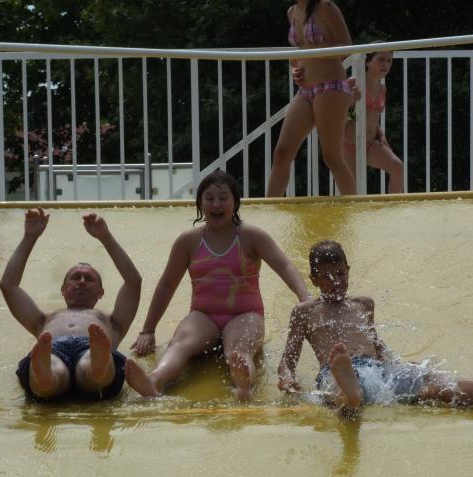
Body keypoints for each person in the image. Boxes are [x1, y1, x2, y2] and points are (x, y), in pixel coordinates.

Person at [278, 240, 473, 417]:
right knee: (337, 386)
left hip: (378, 371)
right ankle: (350, 392)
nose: (336, 282)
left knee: (431, 382)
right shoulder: (305, 311)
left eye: (340, 274)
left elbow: (376, 344)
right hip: (334, 372)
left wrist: (399, 364)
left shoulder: (363, 304)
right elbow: (287, 361)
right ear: (313, 279)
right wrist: (288, 379)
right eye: (326, 277)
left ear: (348, 270)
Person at [126, 170, 311, 399]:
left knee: (239, 351)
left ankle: (244, 386)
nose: (216, 204)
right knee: (180, 343)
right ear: (200, 203)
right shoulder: (188, 241)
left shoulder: (251, 236)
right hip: (204, 316)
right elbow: (166, 285)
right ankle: (154, 381)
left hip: (245, 314)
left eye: (223, 198)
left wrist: (305, 297)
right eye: (209, 198)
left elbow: (284, 266)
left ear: (235, 203)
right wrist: (148, 330)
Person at [0, 209, 142, 400]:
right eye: (75, 277)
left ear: (101, 292)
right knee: (54, 365)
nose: (82, 281)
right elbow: (8, 286)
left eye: (89, 279)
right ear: (63, 289)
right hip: (52, 349)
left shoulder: (113, 323)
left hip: (92, 348)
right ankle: (47, 377)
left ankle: (96, 368)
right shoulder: (42, 321)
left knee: (88, 363)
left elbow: (133, 282)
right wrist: (29, 237)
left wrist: (105, 237)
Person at [266, 0, 356, 197]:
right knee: (281, 153)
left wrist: (313, 53)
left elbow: (346, 47)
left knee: (332, 156)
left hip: (331, 85)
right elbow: (299, 53)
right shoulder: (292, 11)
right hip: (306, 89)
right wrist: (296, 68)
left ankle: (355, 208)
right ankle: (269, 209)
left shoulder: (325, 6)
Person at [343, 49, 404, 193]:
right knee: (352, 193)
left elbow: (372, 118)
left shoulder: (382, 89)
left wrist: (381, 136)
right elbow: (337, 116)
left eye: (389, 61)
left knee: (397, 167)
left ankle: (396, 207)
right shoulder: (354, 82)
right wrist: (350, 102)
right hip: (350, 144)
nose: (386, 65)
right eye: (381, 59)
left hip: (370, 143)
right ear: (368, 61)